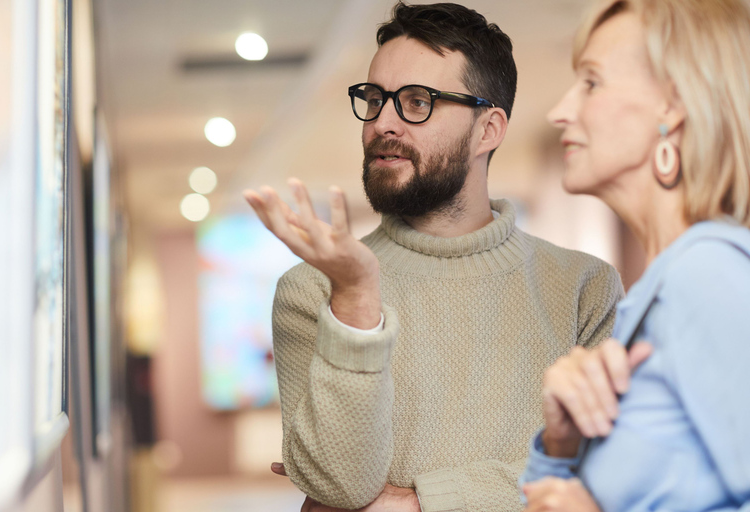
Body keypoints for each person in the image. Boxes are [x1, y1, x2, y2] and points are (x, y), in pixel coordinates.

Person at [244, 2, 624, 511]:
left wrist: (417, 502)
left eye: (417, 101)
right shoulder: (314, 290)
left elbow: (606, 476)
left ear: (488, 130)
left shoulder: (586, 287)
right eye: (375, 98)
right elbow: (340, 487)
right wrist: (357, 301)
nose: (383, 123)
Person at [519, 0, 750, 511]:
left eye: (592, 82)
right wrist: (562, 448)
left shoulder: (708, 276)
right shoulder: (655, 294)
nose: (561, 110)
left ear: (673, 104)